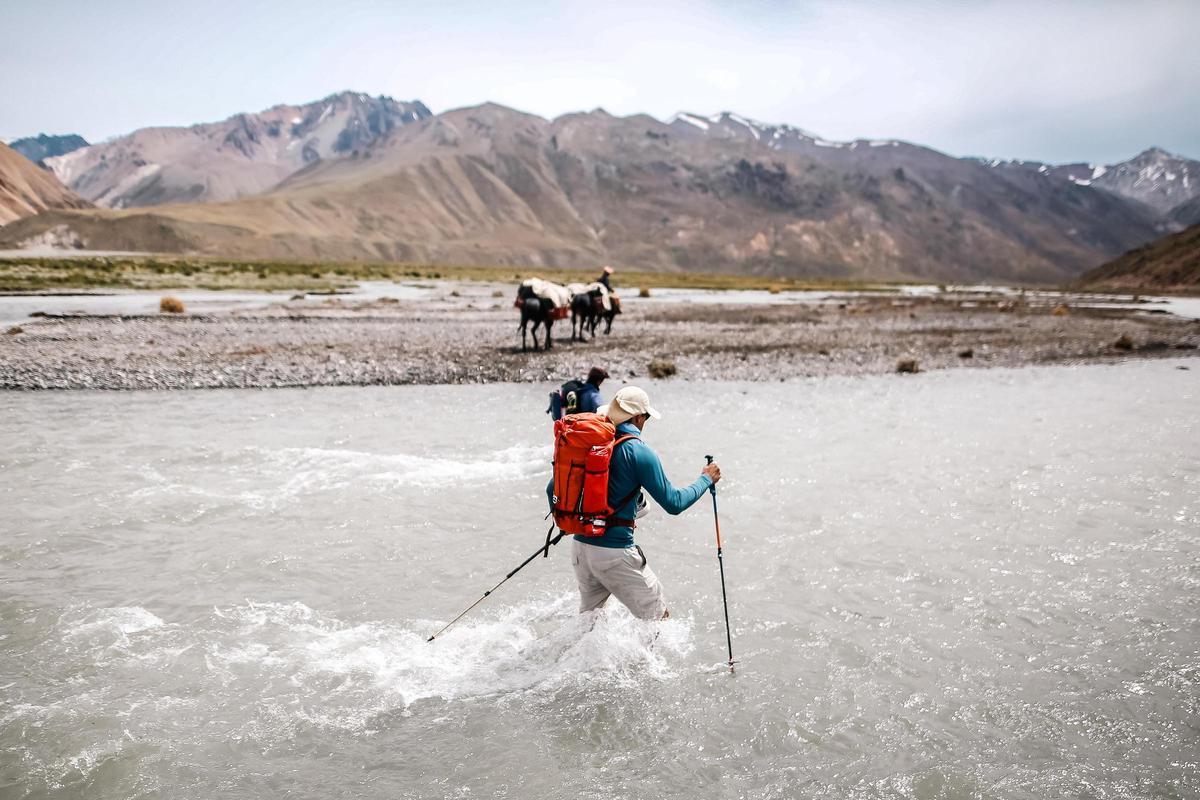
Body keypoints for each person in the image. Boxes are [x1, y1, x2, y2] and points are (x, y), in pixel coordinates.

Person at [556, 386, 722, 620]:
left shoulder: (589, 444)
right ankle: (642, 659)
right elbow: (674, 503)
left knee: (587, 622)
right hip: (614, 552)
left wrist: (569, 522)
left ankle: (567, 656)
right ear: (637, 417)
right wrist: (706, 479)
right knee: (660, 619)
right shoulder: (638, 451)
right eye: (645, 418)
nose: (645, 424)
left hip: (581, 548)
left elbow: (551, 489)